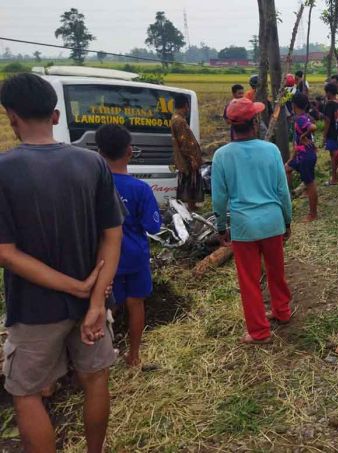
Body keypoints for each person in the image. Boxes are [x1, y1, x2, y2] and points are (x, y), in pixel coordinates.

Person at [0, 73, 124, 453]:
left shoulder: (5, 169)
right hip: (91, 306)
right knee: (95, 379)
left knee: (26, 394)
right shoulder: (92, 164)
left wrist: (76, 287)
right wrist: (96, 300)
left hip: (35, 310)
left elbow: (5, 252)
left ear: (12, 117)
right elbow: (112, 236)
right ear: (53, 115)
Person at [212, 98, 293, 345]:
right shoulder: (270, 150)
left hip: (244, 226)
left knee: (249, 281)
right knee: (276, 271)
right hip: (272, 222)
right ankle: (282, 311)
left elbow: (219, 197)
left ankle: (259, 331)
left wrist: (220, 226)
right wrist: (287, 220)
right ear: (256, 121)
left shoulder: (222, 156)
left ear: (231, 125)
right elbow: (282, 191)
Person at [95, 124, 161, 368]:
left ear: (99, 152)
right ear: (130, 151)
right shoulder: (140, 189)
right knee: (136, 305)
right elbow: (153, 227)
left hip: (101, 261)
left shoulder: (93, 186)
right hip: (134, 257)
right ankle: (133, 356)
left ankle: (100, 361)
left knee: (100, 307)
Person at [286, 93, 319, 222]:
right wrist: (291, 158)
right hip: (300, 155)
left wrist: (303, 135)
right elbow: (296, 143)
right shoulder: (302, 116)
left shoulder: (301, 119)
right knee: (287, 168)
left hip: (306, 156)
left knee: (310, 184)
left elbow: (313, 127)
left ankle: (313, 214)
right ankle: (289, 196)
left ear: (293, 104)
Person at [171, 93, 204, 212]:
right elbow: (184, 143)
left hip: (185, 158)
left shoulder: (176, 118)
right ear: (185, 105)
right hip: (187, 159)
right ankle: (191, 206)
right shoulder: (179, 121)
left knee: (190, 182)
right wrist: (192, 158)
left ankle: (191, 205)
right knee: (190, 182)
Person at [323, 82, 338, 185]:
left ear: (328, 93)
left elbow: (327, 121)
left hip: (332, 133)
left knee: (334, 156)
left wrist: (324, 135)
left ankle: (334, 179)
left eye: (326, 92)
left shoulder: (329, 104)